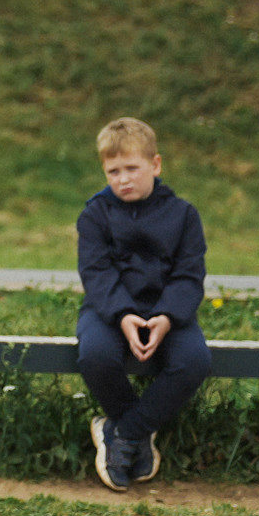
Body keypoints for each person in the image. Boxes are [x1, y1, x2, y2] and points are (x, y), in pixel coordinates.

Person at [77, 116, 210, 492]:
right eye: (113, 171)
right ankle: (136, 434)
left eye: (132, 168)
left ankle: (124, 432)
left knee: (194, 361)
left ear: (155, 164)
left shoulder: (183, 215)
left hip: (171, 311)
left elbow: (189, 274)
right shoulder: (95, 215)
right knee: (95, 355)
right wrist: (122, 315)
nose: (123, 179)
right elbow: (96, 272)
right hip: (109, 310)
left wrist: (168, 316)